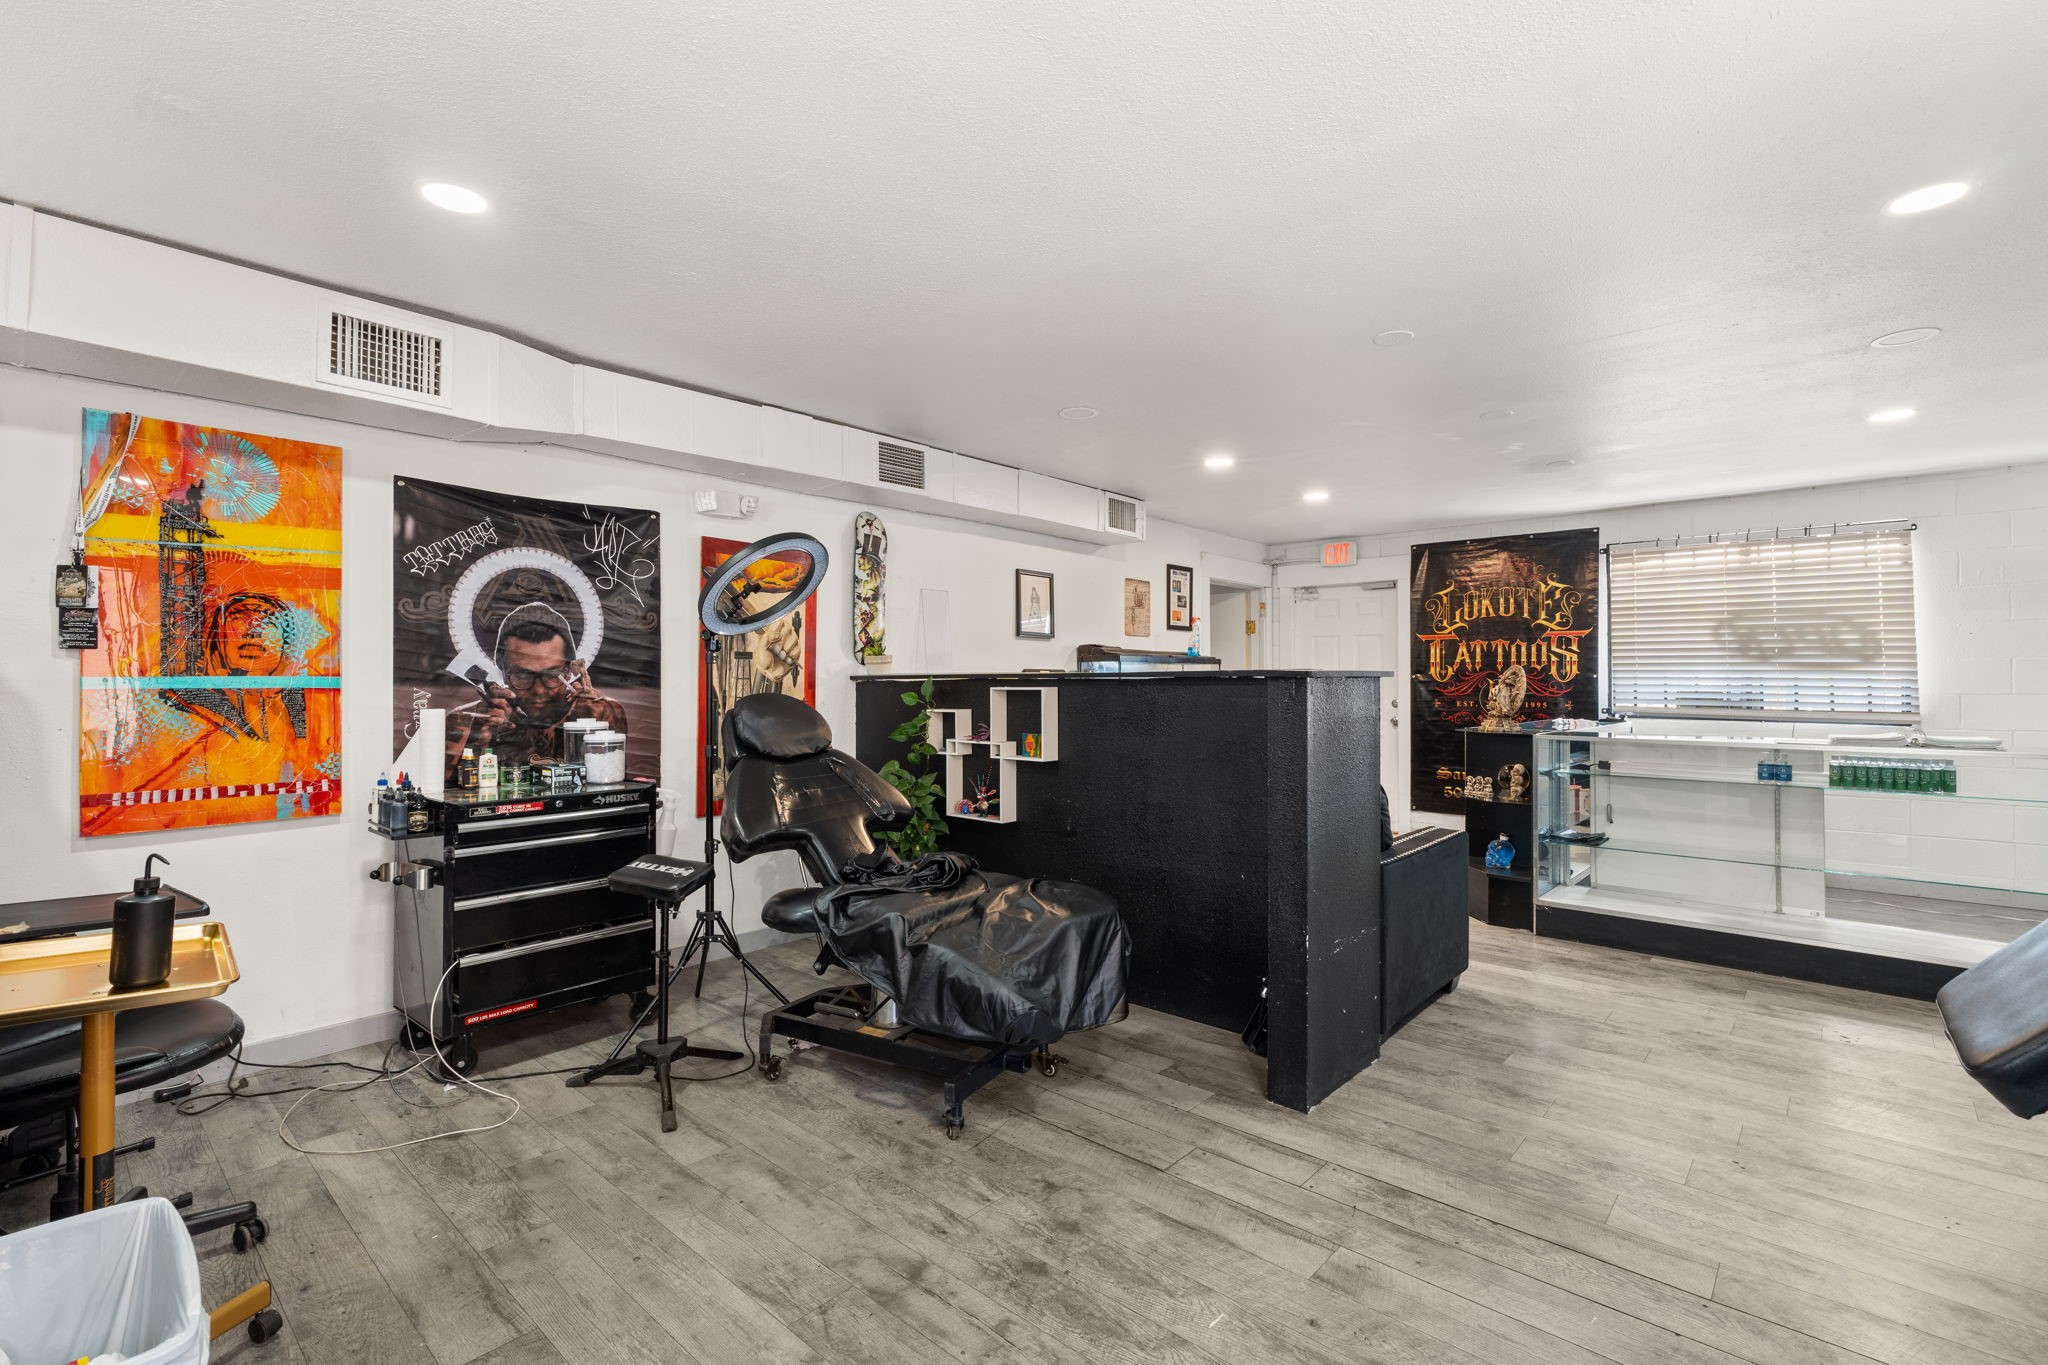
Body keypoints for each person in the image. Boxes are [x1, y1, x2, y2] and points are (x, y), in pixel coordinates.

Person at [445, 605, 625, 778]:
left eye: (552, 675)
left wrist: (592, 731)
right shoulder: (466, 720)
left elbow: (610, 784)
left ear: (569, 670)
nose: (538, 690)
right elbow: (449, 792)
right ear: (502, 671)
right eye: (523, 675)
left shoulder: (602, 711)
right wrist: (480, 736)